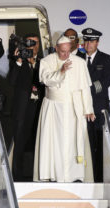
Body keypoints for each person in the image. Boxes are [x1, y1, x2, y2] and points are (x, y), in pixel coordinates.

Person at [33, 36, 95, 183]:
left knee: (73, 143)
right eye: (62, 52)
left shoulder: (79, 62)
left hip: (74, 108)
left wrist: (88, 109)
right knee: (54, 143)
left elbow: (85, 88)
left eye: (68, 51)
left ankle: (72, 175)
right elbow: (46, 80)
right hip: (53, 108)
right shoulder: (46, 61)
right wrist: (61, 71)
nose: (66, 55)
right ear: (56, 48)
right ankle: (54, 174)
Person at [9, 33, 44, 181]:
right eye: (30, 43)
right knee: (20, 141)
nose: (33, 46)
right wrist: (18, 61)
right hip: (22, 108)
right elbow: (11, 81)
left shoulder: (44, 62)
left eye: (36, 43)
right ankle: (17, 176)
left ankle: (38, 174)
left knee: (39, 139)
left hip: (39, 107)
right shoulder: (18, 61)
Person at [81, 27, 110, 182]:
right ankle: (86, 178)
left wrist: (85, 88)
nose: (88, 44)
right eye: (86, 41)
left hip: (99, 109)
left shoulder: (107, 59)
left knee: (100, 146)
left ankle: (99, 180)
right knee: (84, 145)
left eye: (92, 41)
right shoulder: (77, 59)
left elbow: (105, 82)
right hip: (82, 109)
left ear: (97, 42)